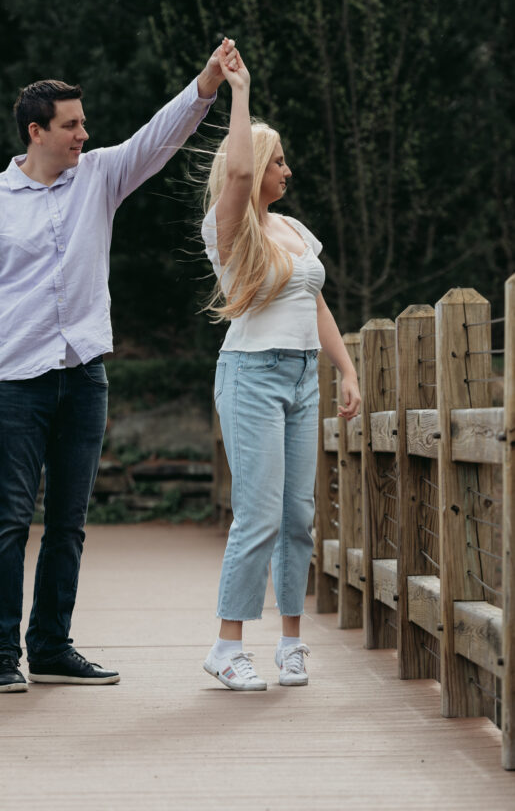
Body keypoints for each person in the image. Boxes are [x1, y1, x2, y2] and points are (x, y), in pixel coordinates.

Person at [0, 38, 237, 693]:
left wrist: (206, 83)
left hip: (83, 374)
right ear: (36, 131)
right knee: (10, 516)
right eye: (72, 124)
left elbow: (157, 139)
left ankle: (50, 645)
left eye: (83, 123)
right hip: (16, 378)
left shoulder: (100, 176)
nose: (85, 133)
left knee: (71, 521)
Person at [200, 47, 361, 691]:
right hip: (251, 375)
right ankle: (226, 644)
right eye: (279, 161)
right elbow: (236, 174)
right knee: (258, 515)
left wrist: (344, 370)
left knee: (298, 516)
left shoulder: (294, 228)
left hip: (301, 378)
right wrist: (239, 93)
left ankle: (291, 642)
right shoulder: (230, 227)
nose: (287, 171)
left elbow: (314, 300)